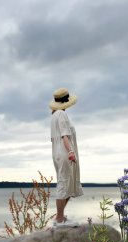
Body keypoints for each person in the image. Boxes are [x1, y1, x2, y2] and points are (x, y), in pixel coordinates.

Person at [49, 88, 83, 227]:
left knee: (67, 183)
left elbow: (53, 140)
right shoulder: (61, 115)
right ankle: (58, 219)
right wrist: (70, 152)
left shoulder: (54, 116)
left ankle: (60, 216)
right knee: (64, 184)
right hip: (64, 153)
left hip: (57, 153)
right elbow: (64, 136)